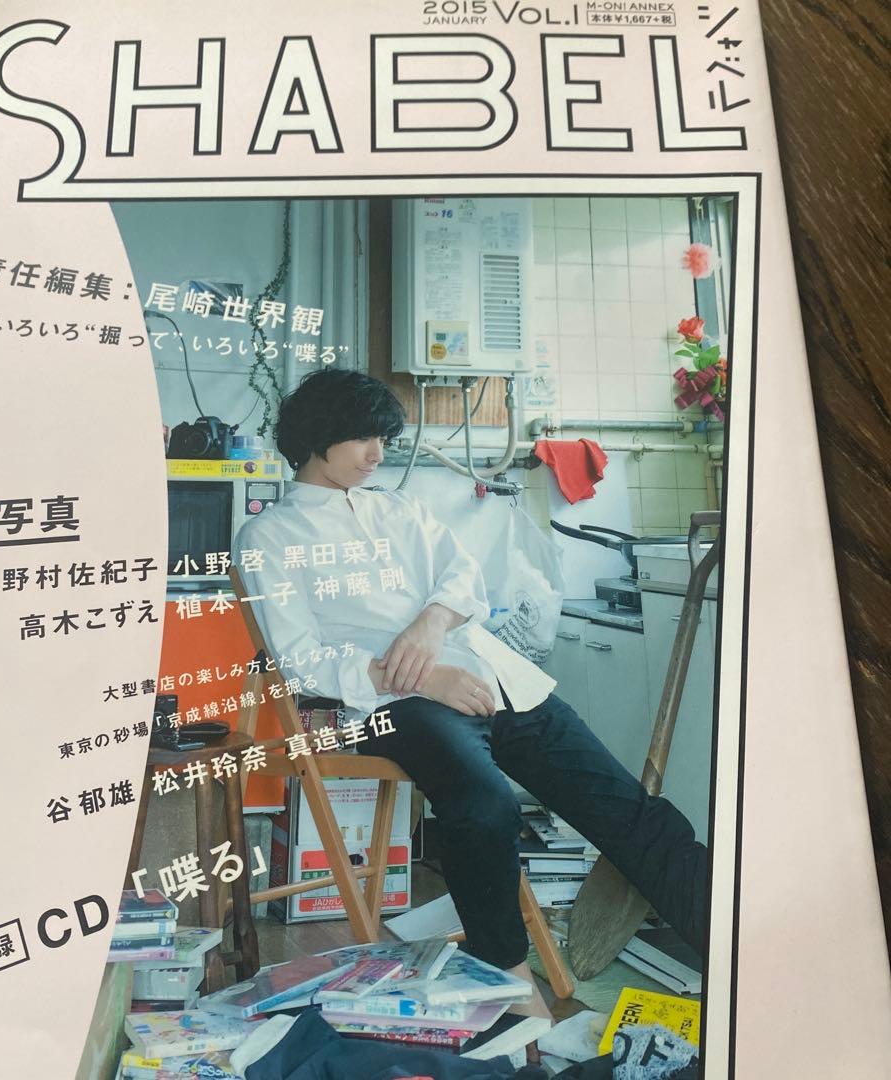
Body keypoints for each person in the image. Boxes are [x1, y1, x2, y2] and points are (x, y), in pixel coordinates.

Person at [233, 369, 707, 982]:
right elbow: (299, 659)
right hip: (389, 705)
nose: (376, 454)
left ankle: (733, 943)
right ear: (315, 436)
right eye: (361, 439)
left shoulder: (399, 508)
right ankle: (505, 978)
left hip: (494, 679)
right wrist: (420, 678)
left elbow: (464, 580)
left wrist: (430, 625)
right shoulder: (269, 536)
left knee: (626, 807)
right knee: (485, 806)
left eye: (382, 439)